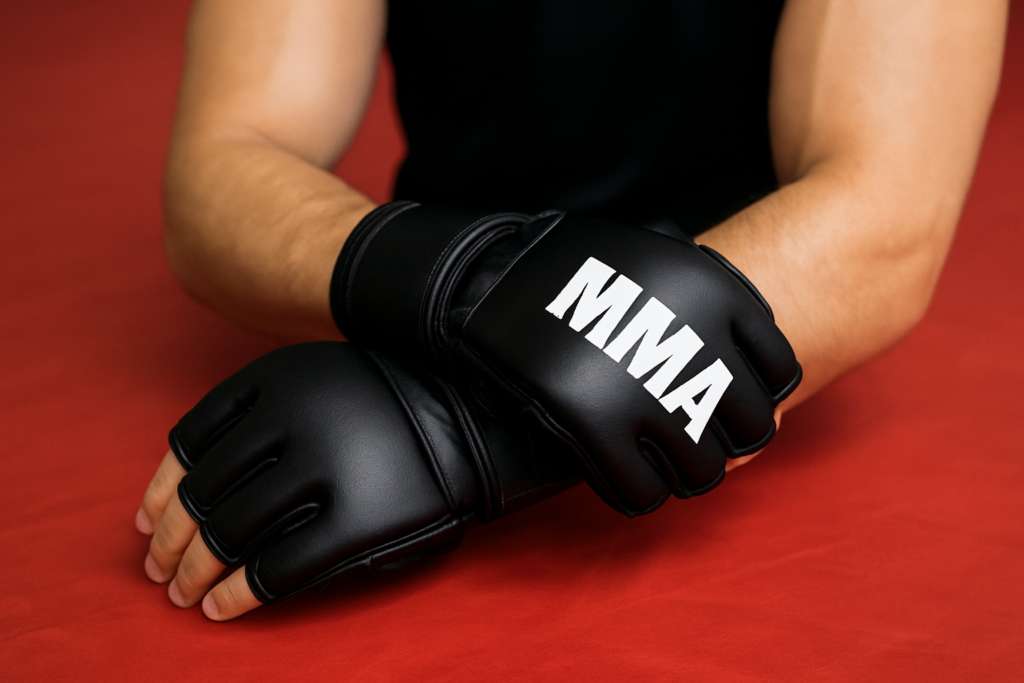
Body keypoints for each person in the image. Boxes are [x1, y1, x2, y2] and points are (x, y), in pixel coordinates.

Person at [135, 0, 1007, 621]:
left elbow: (882, 219)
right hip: (428, 311)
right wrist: (461, 281)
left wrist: (459, 423)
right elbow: (225, 162)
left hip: (766, 388)